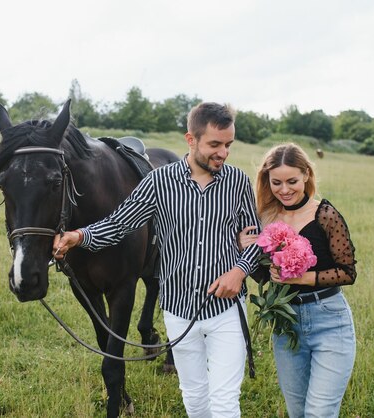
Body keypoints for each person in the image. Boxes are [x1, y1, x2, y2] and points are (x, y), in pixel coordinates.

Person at [53, 102, 261, 418]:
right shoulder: (158, 182)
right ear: (190, 140)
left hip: (226, 310)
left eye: (228, 145)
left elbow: (255, 239)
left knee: (224, 401)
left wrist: (240, 270)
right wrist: (78, 236)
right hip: (178, 309)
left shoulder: (238, 183)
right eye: (214, 145)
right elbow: (119, 223)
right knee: (194, 398)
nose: (223, 153)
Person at [239, 143, 357, 418]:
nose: (284, 190)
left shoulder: (325, 215)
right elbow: (262, 277)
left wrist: (305, 277)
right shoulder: (266, 218)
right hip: (286, 322)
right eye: (276, 182)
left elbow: (348, 271)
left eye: (292, 181)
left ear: (306, 175)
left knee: (319, 413)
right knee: (298, 411)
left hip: (329, 320)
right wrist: (248, 251)